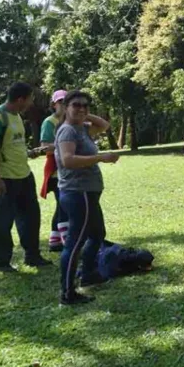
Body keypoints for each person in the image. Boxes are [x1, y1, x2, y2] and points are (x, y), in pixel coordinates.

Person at [55, 90, 119, 305]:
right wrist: (101, 157)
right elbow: (68, 160)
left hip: (88, 193)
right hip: (77, 192)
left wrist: (84, 115)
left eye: (85, 105)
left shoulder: (81, 129)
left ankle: (88, 274)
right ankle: (67, 293)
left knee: (97, 234)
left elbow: (105, 126)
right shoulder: (67, 132)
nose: (81, 109)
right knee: (75, 243)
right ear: (65, 107)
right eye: (76, 105)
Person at [0, 82, 51, 272]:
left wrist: (29, 152)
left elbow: (12, 145)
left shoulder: (17, 117)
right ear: (21, 99)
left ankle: (32, 256)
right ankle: (1, 262)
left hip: (24, 175)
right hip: (5, 178)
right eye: (31, 98)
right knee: (2, 220)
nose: (32, 102)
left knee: (31, 217)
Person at [40, 89, 68, 252]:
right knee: (64, 205)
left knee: (61, 206)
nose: (64, 105)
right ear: (54, 104)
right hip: (56, 171)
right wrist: (66, 145)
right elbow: (44, 147)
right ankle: (67, 241)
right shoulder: (49, 122)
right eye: (61, 102)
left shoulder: (70, 121)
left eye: (67, 102)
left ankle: (55, 241)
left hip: (69, 170)